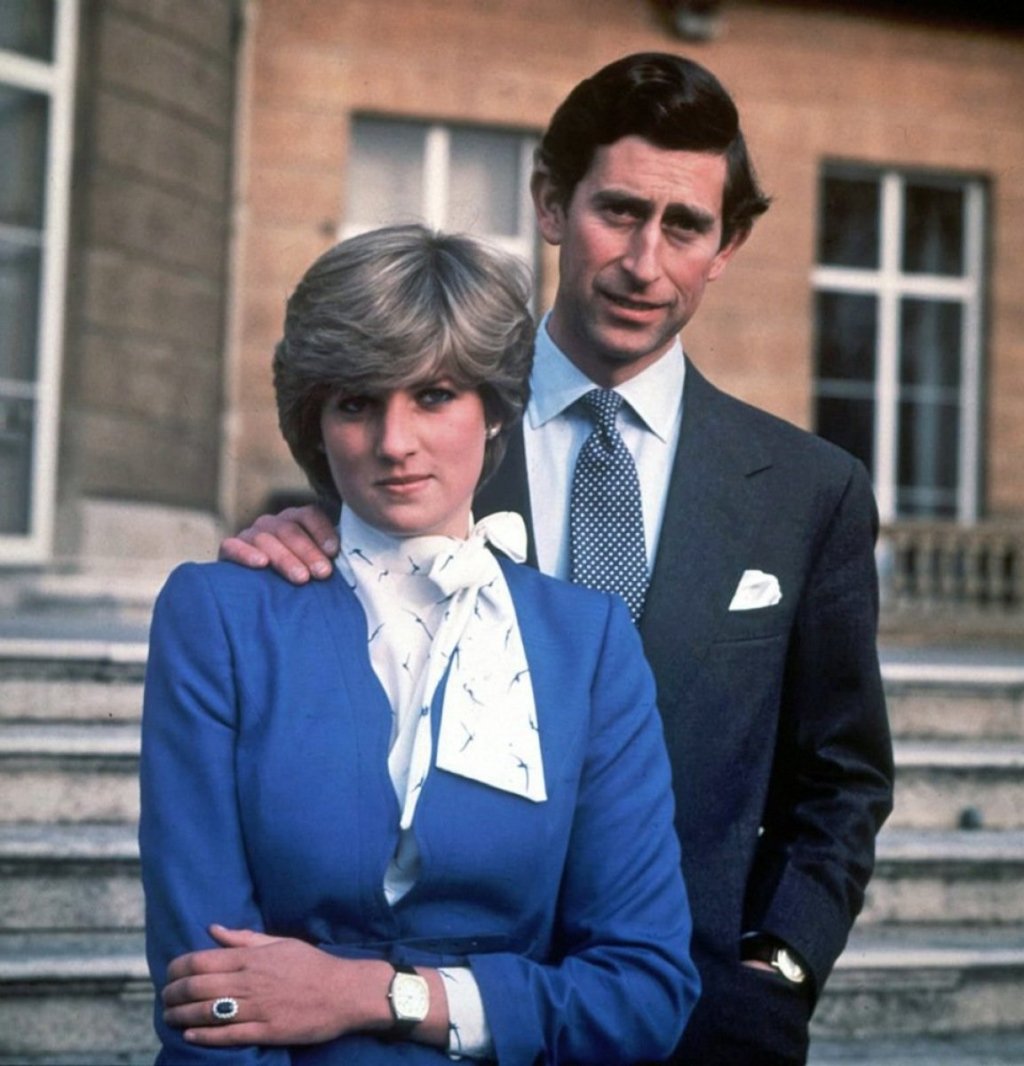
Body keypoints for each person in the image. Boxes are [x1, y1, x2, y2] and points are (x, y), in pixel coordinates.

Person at [217, 54, 894, 1065]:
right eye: (618, 212)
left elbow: (841, 774)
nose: (644, 263)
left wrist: (780, 965)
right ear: (548, 203)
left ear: (727, 245)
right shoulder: (420, 440)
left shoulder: (809, 491)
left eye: (685, 227)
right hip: (424, 1014)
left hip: (697, 1015)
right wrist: (293, 536)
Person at [139, 224, 698, 1065]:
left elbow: (642, 995)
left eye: (433, 396)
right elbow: (207, 995)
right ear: (315, 421)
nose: (394, 443)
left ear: (494, 409)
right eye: (356, 403)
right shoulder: (220, 615)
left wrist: (377, 994)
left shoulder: (587, 645)